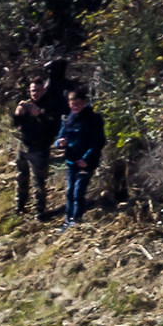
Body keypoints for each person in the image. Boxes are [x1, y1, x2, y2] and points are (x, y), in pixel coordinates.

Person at [52, 91, 107, 228]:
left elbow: (98, 142)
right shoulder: (68, 119)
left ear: (83, 102)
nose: (75, 106)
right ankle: (68, 220)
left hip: (86, 163)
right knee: (70, 192)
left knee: (78, 193)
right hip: (71, 161)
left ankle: (76, 220)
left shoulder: (94, 119)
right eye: (72, 104)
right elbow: (58, 139)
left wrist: (86, 159)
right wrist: (60, 142)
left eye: (78, 103)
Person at [12, 75, 62, 222]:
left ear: (43, 90)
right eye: (33, 90)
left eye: (38, 90)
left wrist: (39, 115)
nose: (35, 93)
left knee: (38, 181)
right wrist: (17, 113)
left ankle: (39, 211)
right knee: (21, 177)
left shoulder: (50, 106)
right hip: (23, 146)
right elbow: (16, 124)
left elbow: (54, 128)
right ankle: (20, 205)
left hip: (40, 149)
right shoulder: (26, 105)